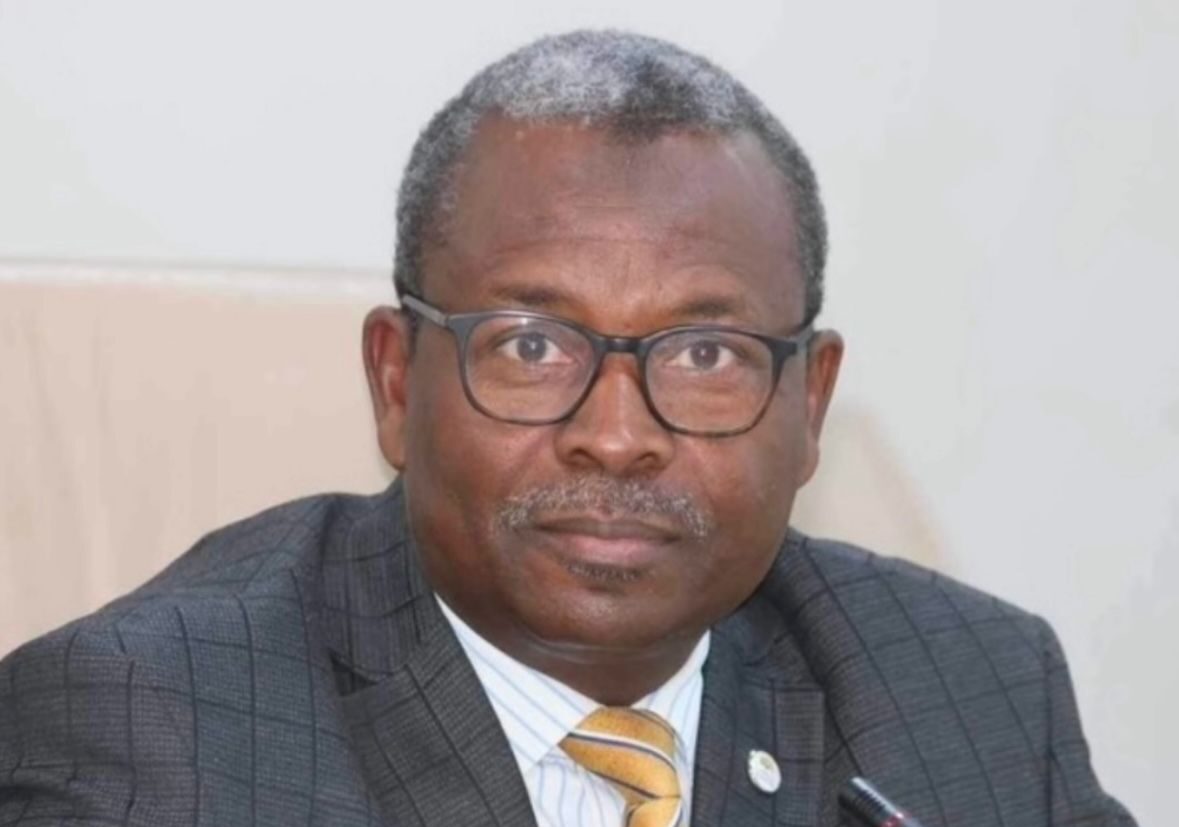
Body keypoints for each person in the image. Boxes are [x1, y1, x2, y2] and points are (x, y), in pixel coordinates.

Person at [0, 29, 1135, 827]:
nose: (617, 435)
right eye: (534, 346)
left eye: (704, 354)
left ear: (809, 405)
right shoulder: (143, 734)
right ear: (396, 382)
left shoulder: (974, 691)